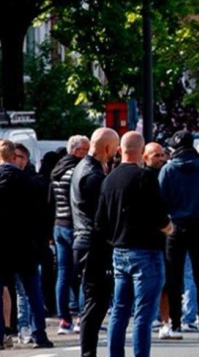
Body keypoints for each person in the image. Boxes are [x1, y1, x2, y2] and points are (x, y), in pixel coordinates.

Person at [94, 131, 171, 357]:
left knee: (119, 310)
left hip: (120, 249)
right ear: (142, 151)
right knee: (143, 314)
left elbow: (100, 223)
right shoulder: (145, 178)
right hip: (146, 251)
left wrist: (115, 238)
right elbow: (159, 216)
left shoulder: (109, 179)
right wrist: (169, 228)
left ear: (120, 150)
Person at [158, 132, 199, 341]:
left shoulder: (168, 169)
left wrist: (163, 226)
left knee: (174, 276)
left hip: (175, 226)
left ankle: (175, 325)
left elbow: (161, 201)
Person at [0, 138, 53, 350]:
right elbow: (39, 213)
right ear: (15, 157)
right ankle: (39, 333)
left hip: (1, 244)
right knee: (32, 290)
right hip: (25, 244)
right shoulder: (29, 182)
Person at [72, 127, 121, 357]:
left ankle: (88, 352)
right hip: (94, 244)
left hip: (84, 240)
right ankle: (88, 353)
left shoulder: (82, 168)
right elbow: (102, 215)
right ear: (108, 148)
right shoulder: (93, 176)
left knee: (95, 301)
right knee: (96, 302)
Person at [48, 136, 89, 336]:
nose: (88, 154)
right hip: (75, 226)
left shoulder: (56, 171)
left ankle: (64, 319)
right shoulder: (76, 171)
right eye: (85, 150)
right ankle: (82, 317)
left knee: (63, 273)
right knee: (82, 273)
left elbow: (50, 202)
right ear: (76, 151)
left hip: (58, 225)